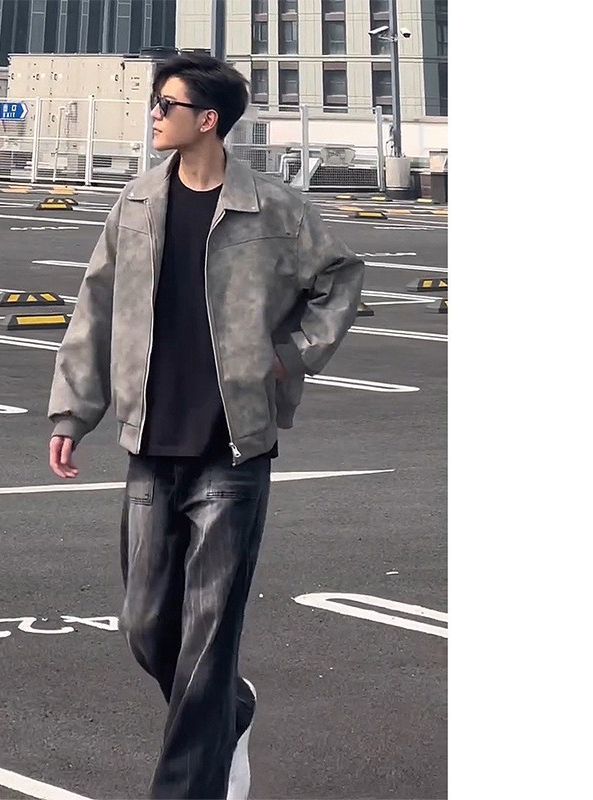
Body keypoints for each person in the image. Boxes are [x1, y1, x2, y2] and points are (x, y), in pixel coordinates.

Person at [47, 53, 364, 800]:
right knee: (145, 624)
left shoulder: (274, 209)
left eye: (168, 104)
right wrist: (73, 411)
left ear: (208, 119)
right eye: (156, 103)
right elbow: (95, 310)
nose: (155, 115)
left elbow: (340, 278)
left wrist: (290, 355)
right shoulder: (136, 204)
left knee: (209, 633)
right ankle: (230, 712)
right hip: (151, 442)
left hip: (233, 444)